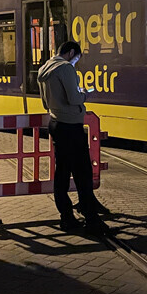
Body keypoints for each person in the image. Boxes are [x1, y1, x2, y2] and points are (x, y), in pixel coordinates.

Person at [37, 41, 110, 235]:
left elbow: (45, 103)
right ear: (71, 53)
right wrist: (84, 94)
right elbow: (74, 98)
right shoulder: (66, 68)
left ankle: (67, 217)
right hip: (71, 126)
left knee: (62, 173)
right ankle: (91, 218)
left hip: (56, 123)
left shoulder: (44, 69)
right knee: (83, 173)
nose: (75, 62)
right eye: (76, 59)